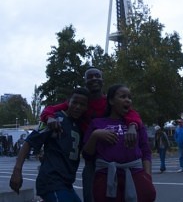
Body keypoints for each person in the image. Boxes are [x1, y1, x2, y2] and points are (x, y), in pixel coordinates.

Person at [40, 67, 143, 202]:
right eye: (90, 77)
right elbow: (50, 109)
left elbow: (132, 113)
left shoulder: (110, 102)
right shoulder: (81, 102)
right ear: (85, 82)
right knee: (91, 196)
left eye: (97, 76)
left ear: (102, 80)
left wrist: (132, 126)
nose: (94, 79)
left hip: (112, 158)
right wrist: (49, 117)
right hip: (92, 158)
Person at [9, 87, 90, 202]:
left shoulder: (80, 124)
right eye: (75, 102)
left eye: (82, 104)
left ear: (87, 107)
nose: (78, 107)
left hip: (67, 184)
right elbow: (28, 142)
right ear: (68, 102)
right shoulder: (55, 119)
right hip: (52, 182)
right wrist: (17, 171)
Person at [82, 84, 156, 202]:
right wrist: (95, 135)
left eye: (129, 97)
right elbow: (87, 155)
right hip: (106, 177)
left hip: (135, 174)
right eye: (123, 96)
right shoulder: (97, 123)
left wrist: (147, 177)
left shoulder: (136, 124)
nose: (127, 100)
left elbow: (146, 151)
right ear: (111, 100)